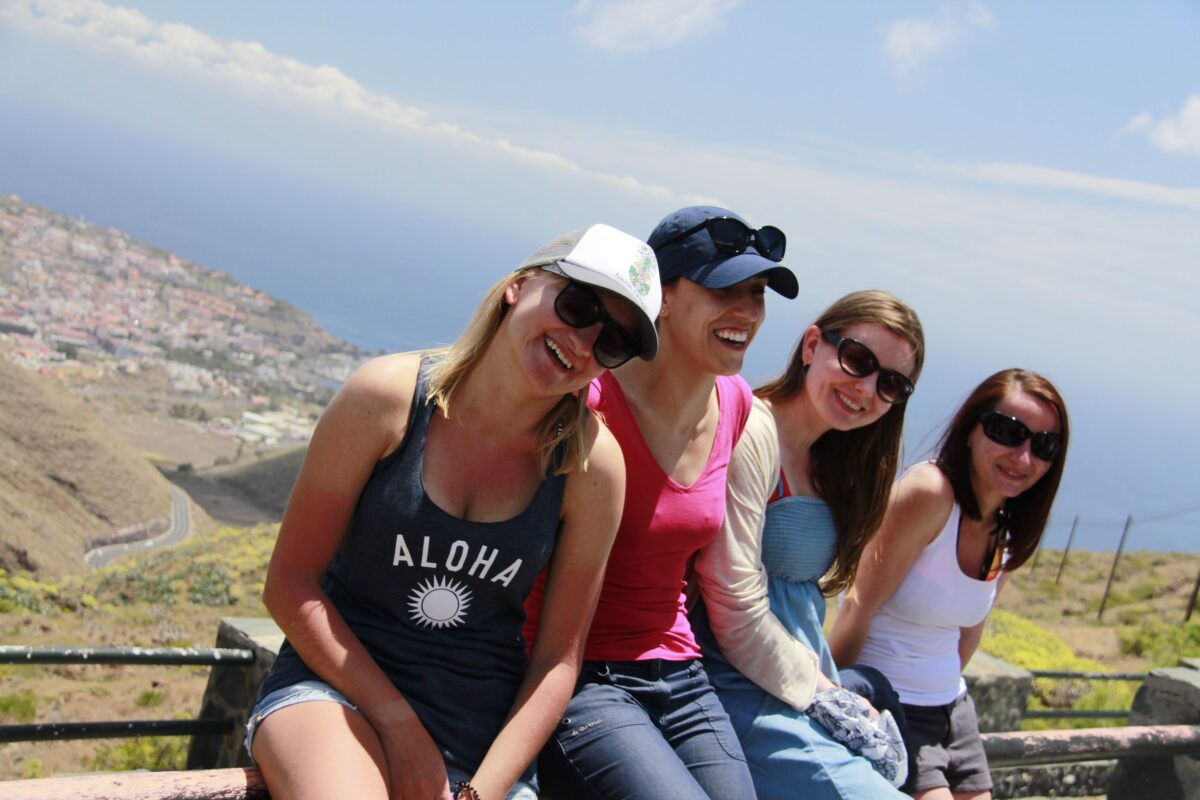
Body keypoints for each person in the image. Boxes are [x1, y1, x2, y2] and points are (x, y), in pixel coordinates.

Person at [246, 223, 663, 800]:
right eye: (577, 306)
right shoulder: (386, 400)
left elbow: (557, 664)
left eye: (612, 342)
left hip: (480, 731)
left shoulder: (591, 466)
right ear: (520, 285)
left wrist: (479, 793)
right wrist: (399, 726)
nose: (584, 342)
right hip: (335, 692)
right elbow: (290, 584)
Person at [527, 206, 799, 799]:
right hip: (579, 674)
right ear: (663, 297)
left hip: (680, 673)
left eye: (757, 293)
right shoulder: (588, 402)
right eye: (724, 290)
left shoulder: (736, 404)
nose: (747, 312)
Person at [691, 290, 925, 799]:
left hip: (795, 683)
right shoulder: (754, 431)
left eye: (890, 384)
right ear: (813, 345)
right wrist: (827, 694)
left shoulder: (829, 461)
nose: (867, 388)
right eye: (858, 360)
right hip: (739, 686)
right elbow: (732, 607)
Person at [830, 369, 1070, 800]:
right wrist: (828, 703)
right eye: (1007, 432)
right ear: (970, 429)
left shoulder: (1006, 528)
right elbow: (857, 604)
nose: (1023, 458)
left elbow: (969, 631)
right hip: (891, 704)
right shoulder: (931, 493)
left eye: (1044, 445)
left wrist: (941, 690)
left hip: (953, 709)